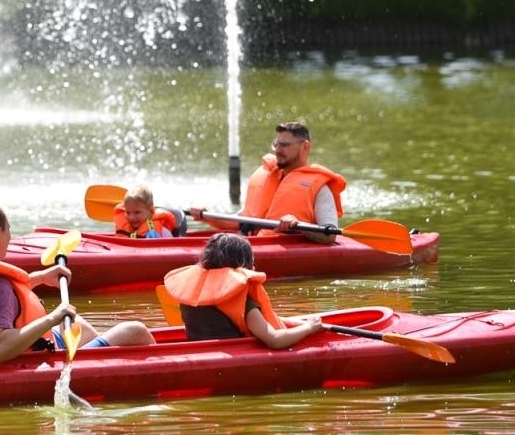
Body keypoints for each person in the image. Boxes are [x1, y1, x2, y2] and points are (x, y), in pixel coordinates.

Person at [0, 198, 154, 363]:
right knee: (135, 330)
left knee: (77, 324)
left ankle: (93, 363)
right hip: (30, 358)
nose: (10, 236)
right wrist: (52, 318)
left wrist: (41, 277)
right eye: (8, 230)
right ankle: (101, 370)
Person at [188, 120, 344, 244]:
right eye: (276, 144)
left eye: (284, 145)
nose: (277, 150)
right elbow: (240, 221)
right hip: (254, 244)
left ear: (305, 147)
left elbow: (330, 235)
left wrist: (299, 226)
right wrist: (206, 215)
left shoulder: (319, 188)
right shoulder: (269, 176)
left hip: (284, 250)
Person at [163, 233, 326, 349]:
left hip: (199, 352)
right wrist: (308, 328)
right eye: (251, 262)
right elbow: (274, 340)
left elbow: (243, 318)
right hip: (234, 357)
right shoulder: (239, 297)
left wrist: (299, 322)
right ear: (242, 265)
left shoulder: (193, 294)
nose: (253, 267)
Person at [112, 184, 183, 239]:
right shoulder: (122, 226)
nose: (131, 217)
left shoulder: (162, 231)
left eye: (137, 212)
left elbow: (170, 247)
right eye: (128, 212)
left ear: (150, 210)